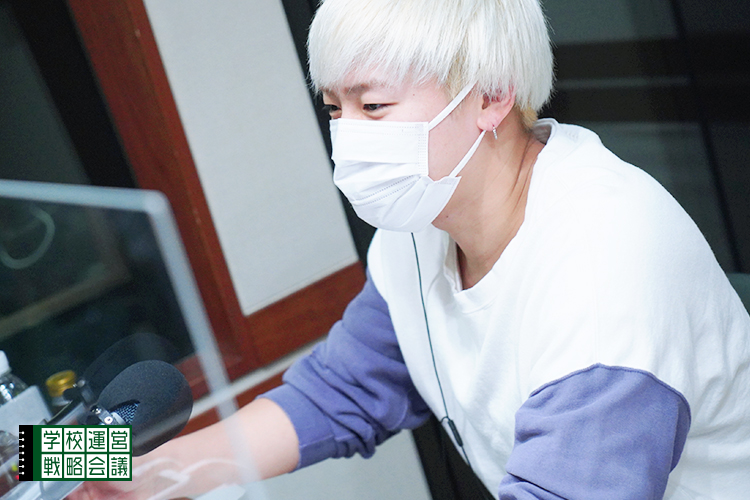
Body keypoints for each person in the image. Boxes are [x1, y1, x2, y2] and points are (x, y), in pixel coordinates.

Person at [74, 0, 750, 498]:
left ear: (491, 96)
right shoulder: (426, 224)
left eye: (373, 107)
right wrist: (71, 461)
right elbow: (341, 390)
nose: (348, 137)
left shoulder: (607, 268)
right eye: (334, 109)